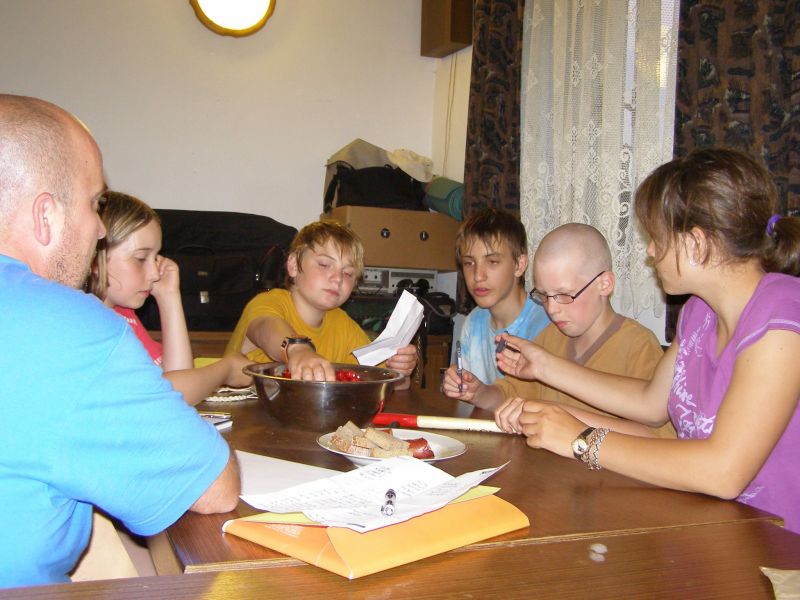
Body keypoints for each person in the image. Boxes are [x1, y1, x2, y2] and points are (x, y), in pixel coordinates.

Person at [0, 94, 240, 588]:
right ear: (45, 215)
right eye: (94, 205)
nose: (99, 229)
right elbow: (214, 489)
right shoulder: (66, 326)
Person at [494, 149, 800, 533]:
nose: (650, 252)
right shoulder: (698, 313)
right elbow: (650, 404)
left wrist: (581, 440)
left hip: (775, 544)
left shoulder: (781, 313)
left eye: (656, 237)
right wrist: (544, 368)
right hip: (708, 526)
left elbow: (724, 472)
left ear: (697, 243)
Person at [445, 222, 674, 438]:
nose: (552, 309)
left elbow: (658, 440)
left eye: (564, 295)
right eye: (543, 295)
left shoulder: (638, 345)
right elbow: (509, 394)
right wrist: (479, 393)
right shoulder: (550, 337)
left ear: (604, 284)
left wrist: (561, 419)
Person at [86, 191, 251, 405]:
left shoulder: (124, 314)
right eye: (141, 258)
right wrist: (225, 370)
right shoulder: (93, 324)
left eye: (156, 258)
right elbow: (167, 394)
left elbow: (180, 375)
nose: (155, 273)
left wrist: (168, 297)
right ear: (95, 260)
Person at [225, 220, 417, 385]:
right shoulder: (268, 302)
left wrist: (398, 369)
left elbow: (383, 379)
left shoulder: (343, 325)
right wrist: (298, 350)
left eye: (348, 273)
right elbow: (265, 328)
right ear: (293, 265)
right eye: (324, 265)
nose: (337, 278)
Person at [442, 208, 549, 391]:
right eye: (469, 263)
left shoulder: (545, 324)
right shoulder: (473, 323)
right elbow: (468, 398)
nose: (478, 276)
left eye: (492, 262)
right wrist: (456, 385)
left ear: (519, 265)